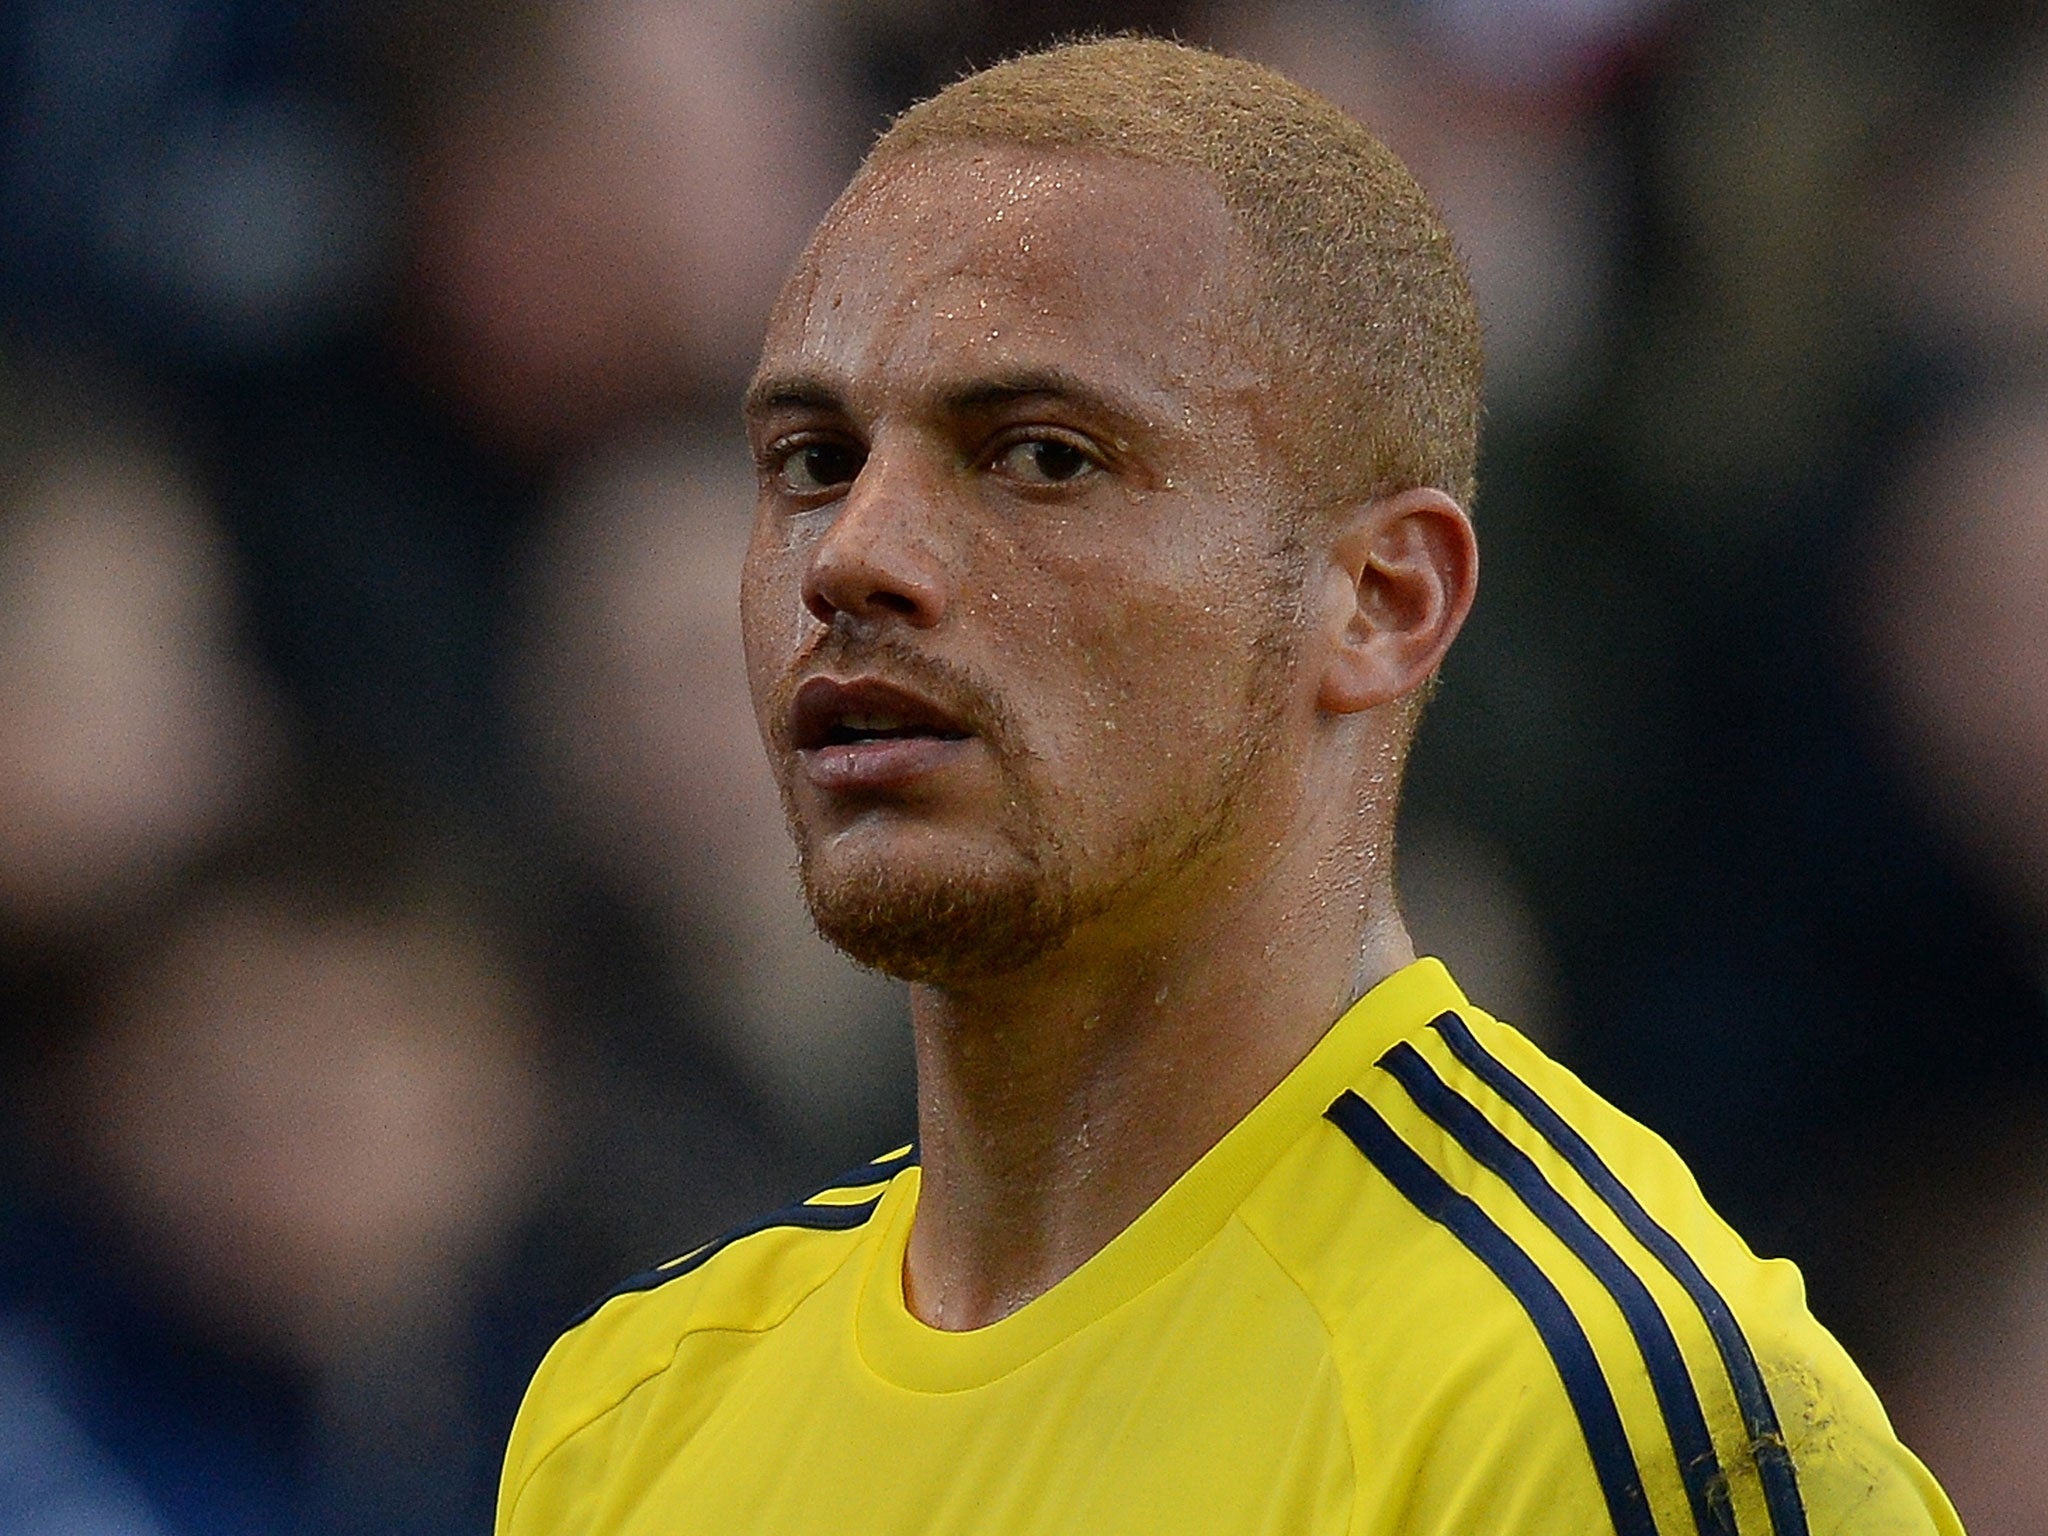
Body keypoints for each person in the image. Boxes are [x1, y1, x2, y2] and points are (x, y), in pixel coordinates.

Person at [495, 37, 1963, 1535]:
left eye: (1041, 457)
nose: (855, 554)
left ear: (1384, 602)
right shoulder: (628, 1410)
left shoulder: (1597, 1412)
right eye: (813, 460)